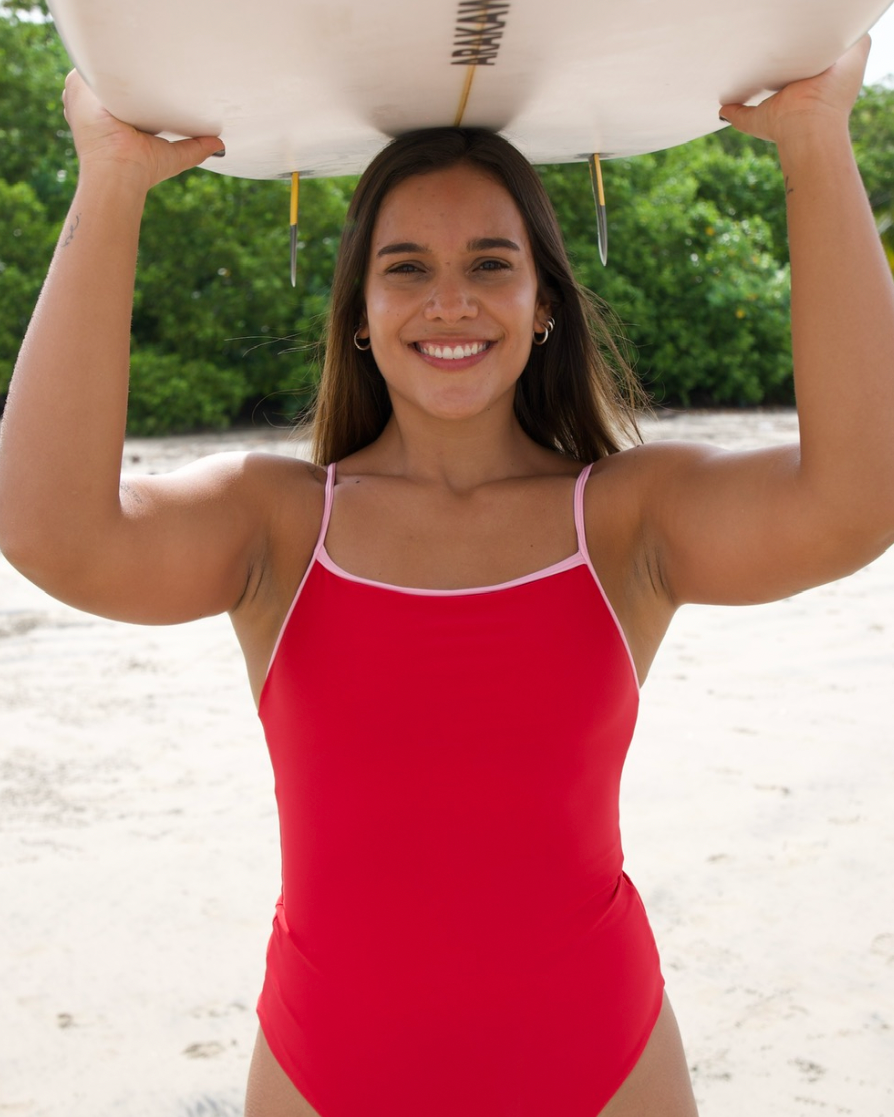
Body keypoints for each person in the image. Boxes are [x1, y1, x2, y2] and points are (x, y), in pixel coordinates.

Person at [0, 35, 890, 1117]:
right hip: (328, 1068)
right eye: (406, 267)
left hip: (598, 1061)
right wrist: (114, 177)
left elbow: (858, 499)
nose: (450, 301)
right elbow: (50, 531)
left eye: (491, 264)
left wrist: (813, 140)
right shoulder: (280, 527)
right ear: (361, 317)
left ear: (544, 301)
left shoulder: (622, 520)